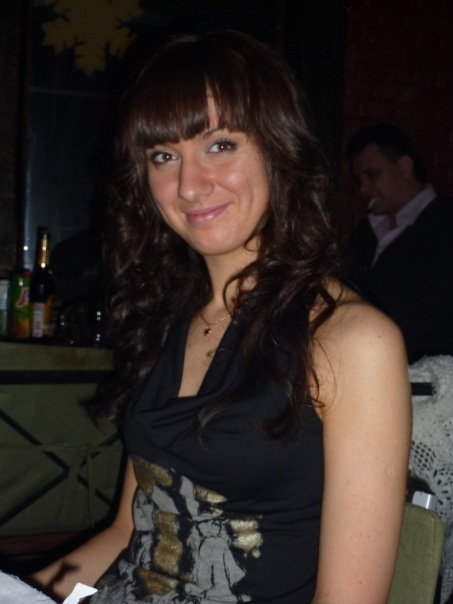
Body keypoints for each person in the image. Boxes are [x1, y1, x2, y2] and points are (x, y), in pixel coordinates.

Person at [30, 31, 411, 604]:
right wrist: (26, 593)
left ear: (279, 147)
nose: (189, 186)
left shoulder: (352, 340)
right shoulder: (169, 321)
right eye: (164, 156)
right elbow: (127, 531)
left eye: (221, 145)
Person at [345, 123, 453, 363]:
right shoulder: (365, 232)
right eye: (359, 179)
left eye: (372, 174)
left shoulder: (445, 223)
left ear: (404, 167)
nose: (363, 188)